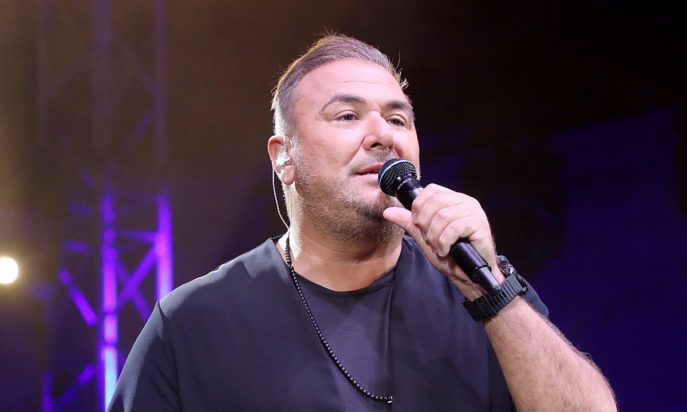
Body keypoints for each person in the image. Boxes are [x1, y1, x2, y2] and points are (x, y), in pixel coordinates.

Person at [109, 34, 616, 411]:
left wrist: (492, 294)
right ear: (284, 158)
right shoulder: (193, 324)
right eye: (347, 116)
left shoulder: (481, 289)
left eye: (398, 120)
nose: (382, 135)